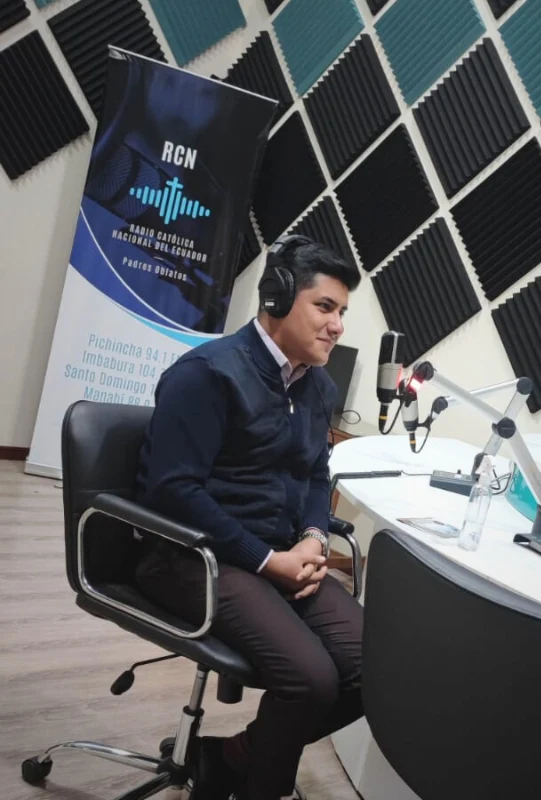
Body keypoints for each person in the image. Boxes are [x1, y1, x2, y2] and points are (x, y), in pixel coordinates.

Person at [134, 235, 364, 800]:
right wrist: (265, 560)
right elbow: (172, 490)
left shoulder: (317, 386)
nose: (337, 326)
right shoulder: (207, 373)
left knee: (376, 671)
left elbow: (316, 474)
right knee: (311, 680)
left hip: (277, 555)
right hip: (190, 555)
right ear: (277, 298)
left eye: (342, 312)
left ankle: (231, 758)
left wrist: (313, 537)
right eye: (325, 307)